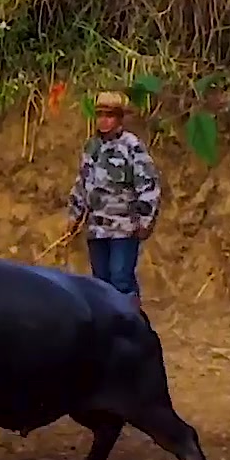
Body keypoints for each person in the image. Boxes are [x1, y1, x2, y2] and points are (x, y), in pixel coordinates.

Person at [67, 91, 162, 312]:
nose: (104, 120)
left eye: (109, 115)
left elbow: (148, 183)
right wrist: (74, 214)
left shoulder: (132, 146)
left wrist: (144, 220)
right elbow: (82, 182)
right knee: (100, 283)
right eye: (100, 115)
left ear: (120, 118)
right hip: (96, 228)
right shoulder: (92, 147)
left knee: (121, 280)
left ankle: (132, 326)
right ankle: (108, 331)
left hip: (123, 227)